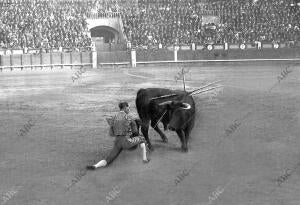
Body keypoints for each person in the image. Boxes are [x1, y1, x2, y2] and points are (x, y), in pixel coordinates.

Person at [86, 102, 150, 170]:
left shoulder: (113, 117)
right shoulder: (129, 117)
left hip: (117, 142)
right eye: (128, 108)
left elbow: (111, 133)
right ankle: (145, 159)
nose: (129, 109)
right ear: (125, 107)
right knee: (142, 138)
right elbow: (135, 132)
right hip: (126, 141)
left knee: (108, 160)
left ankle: (95, 166)